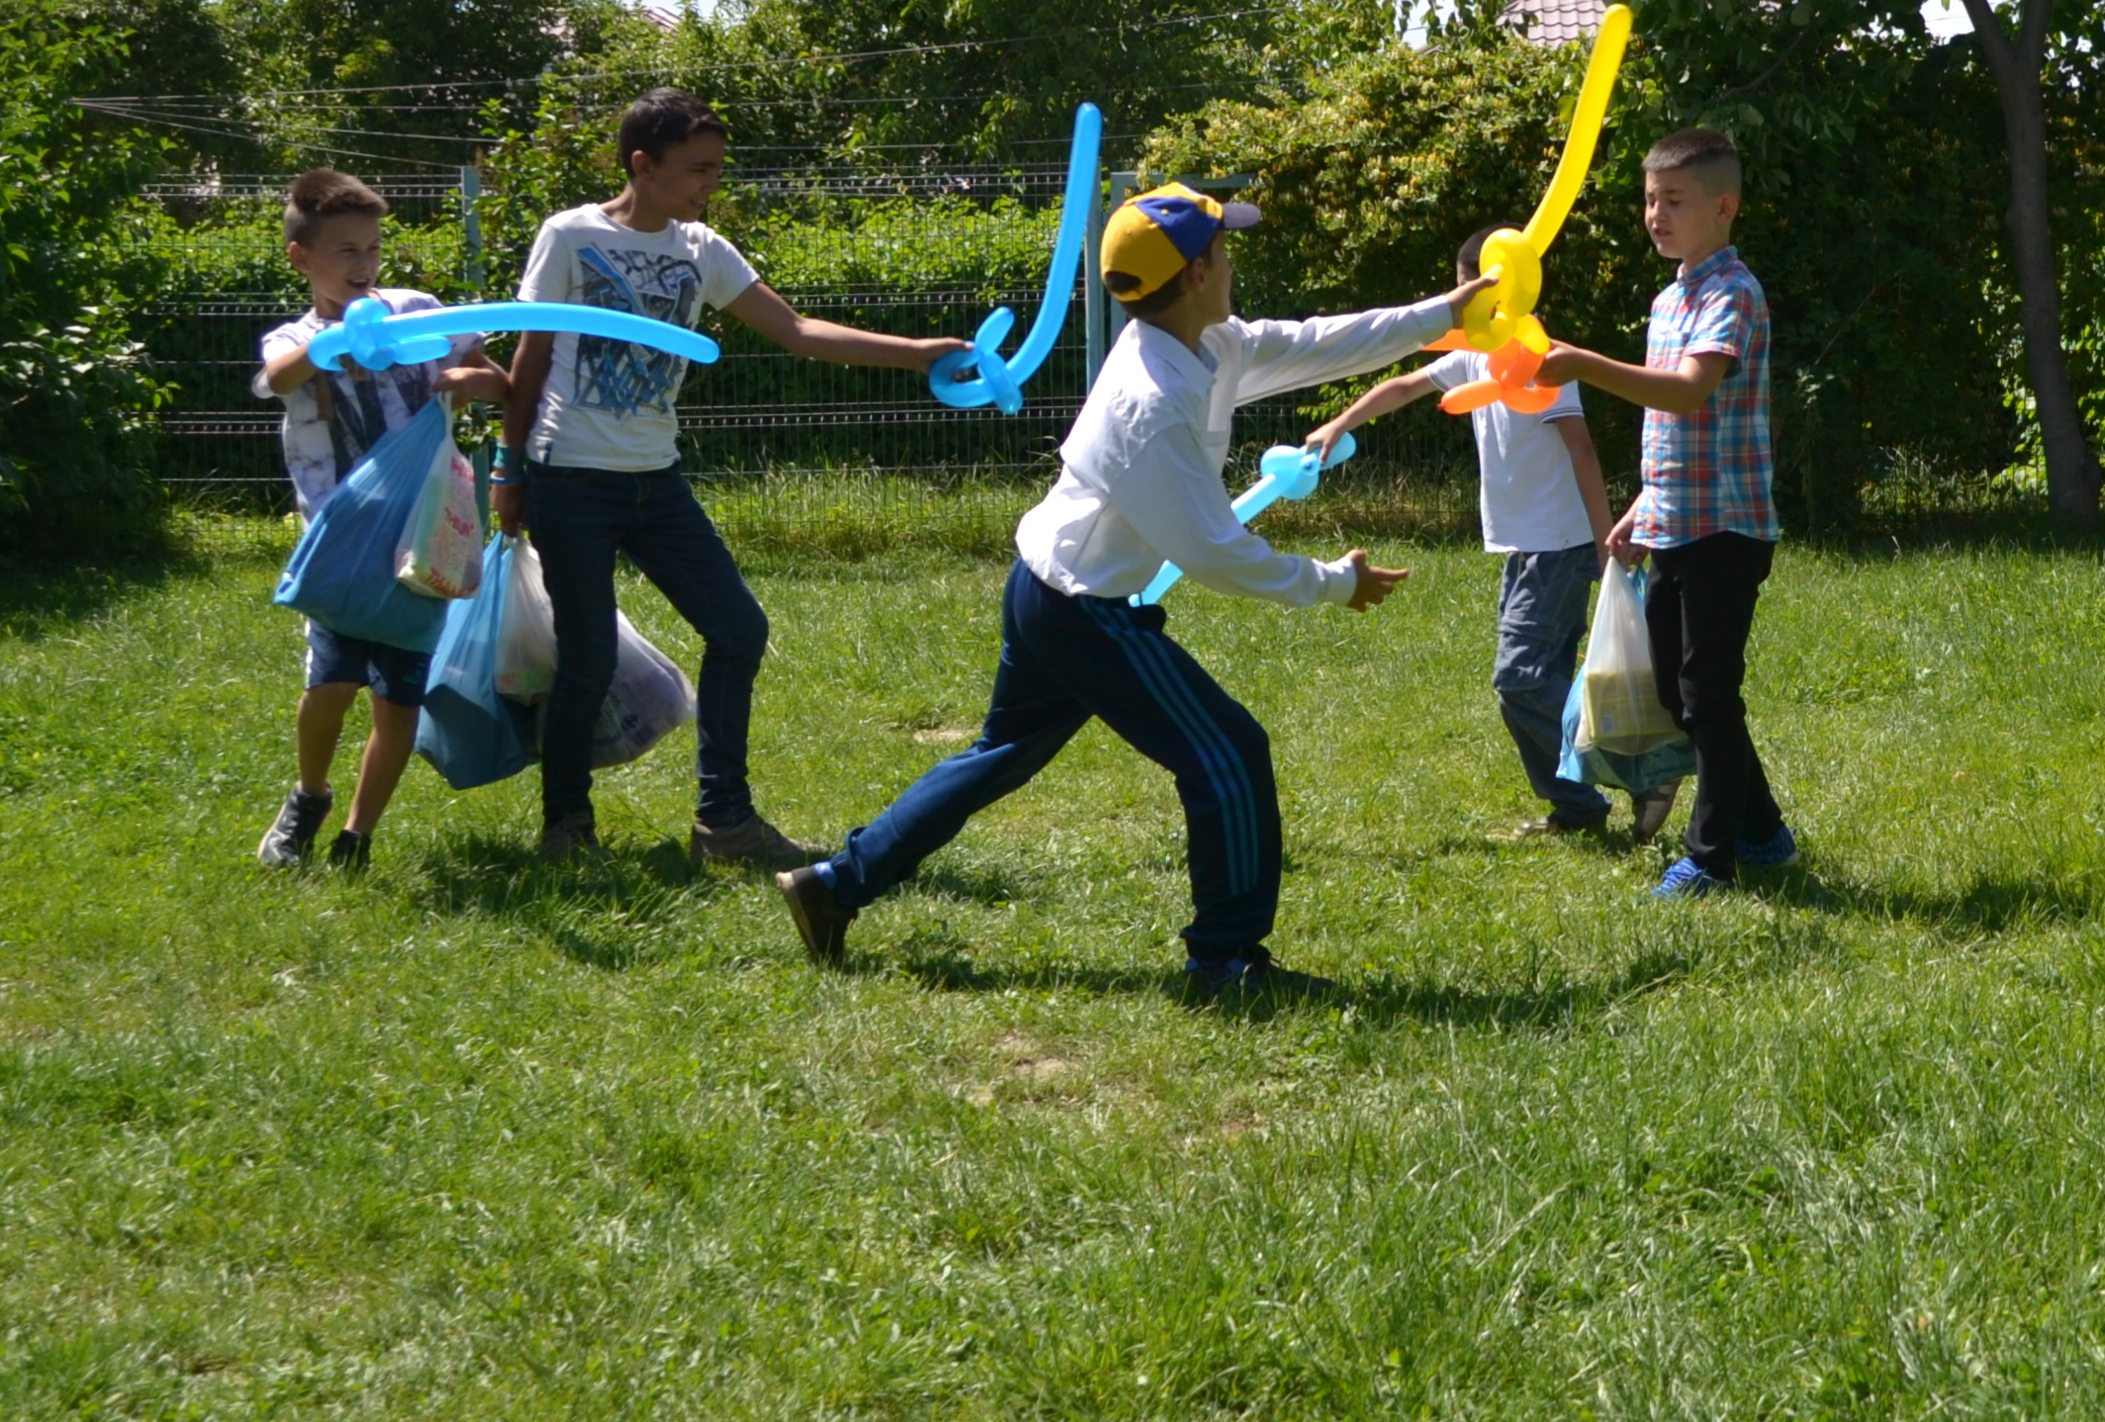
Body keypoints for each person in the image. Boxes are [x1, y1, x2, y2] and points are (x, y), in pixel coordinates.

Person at [776, 186, 1477, 994]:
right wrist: (1330, 585)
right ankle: (1224, 961)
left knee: (998, 755)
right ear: (1198, 270)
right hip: (1084, 609)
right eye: (1224, 247)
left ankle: (833, 885)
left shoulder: (1205, 343)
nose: (1233, 259)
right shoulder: (1154, 401)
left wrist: (1443, 314)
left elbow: (1322, 342)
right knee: (1227, 754)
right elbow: (1215, 552)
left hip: (1049, 583)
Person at [490, 88, 963, 867]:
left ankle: (725, 824)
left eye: (715, 169)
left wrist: (917, 352)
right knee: (587, 659)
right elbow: (532, 356)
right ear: (642, 165)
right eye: (696, 169)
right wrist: (510, 469)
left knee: (739, 630)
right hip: (570, 475)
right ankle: (567, 830)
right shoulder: (570, 236)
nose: (709, 184)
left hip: (656, 480)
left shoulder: (701, 248)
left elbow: (797, 331)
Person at [1546, 127, 1793, 894]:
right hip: (1675, 524)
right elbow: (1675, 426)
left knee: (1708, 692)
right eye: (1650, 199)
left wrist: (1583, 361)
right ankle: (1764, 833)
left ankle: (1712, 858)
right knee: (1682, 696)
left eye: (1674, 200)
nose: (1656, 214)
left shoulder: (1732, 292)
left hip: (1728, 527)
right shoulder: (1668, 298)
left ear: (1725, 207)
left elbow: (1689, 390)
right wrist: (1640, 508)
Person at [1306, 245, 1617, 836]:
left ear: (1506, 296)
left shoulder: (1543, 359)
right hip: (1523, 546)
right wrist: (1341, 422)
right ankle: (1578, 809)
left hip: (1561, 543)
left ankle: (1633, 763)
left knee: (1520, 677)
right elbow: (1402, 387)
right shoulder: (1475, 358)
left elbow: (1582, 448)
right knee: (1519, 690)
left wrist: (1604, 544)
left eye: (1470, 296)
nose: (1461, 309)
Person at [253, 170, 508, 871]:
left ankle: (357, 839)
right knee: (330, 685)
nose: (365, 265)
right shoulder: (292, 337)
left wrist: (461, 381)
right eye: (345, 251)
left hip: (425, 536)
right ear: (301, 258)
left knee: (398, 700)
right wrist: (335, 346)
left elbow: (497, 380)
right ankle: (309, 798)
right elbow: (278, 379)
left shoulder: (417, 313)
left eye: (372, 248)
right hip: (340, 543)